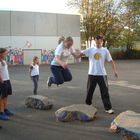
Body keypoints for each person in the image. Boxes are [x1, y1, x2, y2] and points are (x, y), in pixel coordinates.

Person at [79, 35, 118, 114]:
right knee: (89, 91)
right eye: (96, 43)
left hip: (102, 74)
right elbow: (80, 54)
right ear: (95, 42)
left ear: (102, 42)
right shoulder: (90, 50)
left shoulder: (105, 51)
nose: (98, 44)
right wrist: (73, 53)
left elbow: (111, 61)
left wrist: (115, 71)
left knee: (105, 91)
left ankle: (108, 108)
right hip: (92, 73)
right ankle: (88, 104)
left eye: (99, 43)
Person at [0, 48, 14, 120]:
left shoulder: (3, 61)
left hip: (7, 80)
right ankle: (1, 113)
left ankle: (5, 110)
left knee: (6, 96)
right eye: (5, 53)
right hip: (2, 81)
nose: (6, 55)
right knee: (2, 98)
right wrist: (1, 80)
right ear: (1, 54)